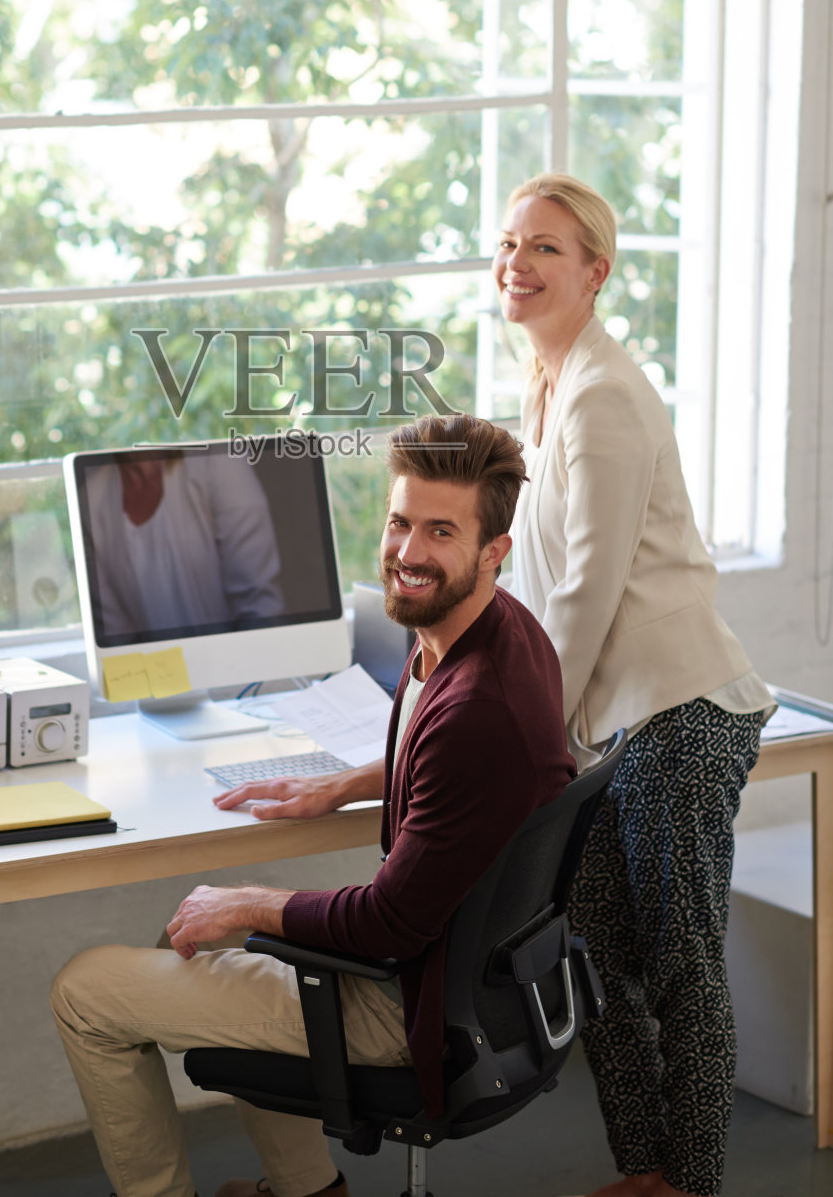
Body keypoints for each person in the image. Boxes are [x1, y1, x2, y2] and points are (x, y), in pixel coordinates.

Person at [50, 413, 575, 1197]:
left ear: (493, 551)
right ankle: (306, 1191)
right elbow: (458, 776)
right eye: (400, 523)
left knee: (86, 990)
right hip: (473, 982)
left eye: (441, 532)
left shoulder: (476, 709)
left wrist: (254, 903)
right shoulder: (496, 633)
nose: (407, 553)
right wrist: (348, 782)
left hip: (410, 1006)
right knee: (185, 929)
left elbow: (388, 922)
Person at [493, 172, 775, 1197]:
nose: (515, 263)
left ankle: (689, 1182)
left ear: (595, 270)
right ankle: (644, 1172)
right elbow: (536, 589)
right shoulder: (555, 382)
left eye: (545, 248)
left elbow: (586, 594)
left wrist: (534, 737)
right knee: (598, 953)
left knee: (681, 966)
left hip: (680, 713)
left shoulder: (604, 397)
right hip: (620, 723)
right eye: (509, 244)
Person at [83, 449, 283, 638]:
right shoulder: (91, 499)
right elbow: (117, 637)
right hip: (157, 673)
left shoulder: (218, 460)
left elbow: (260, 603)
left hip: (242, 666)